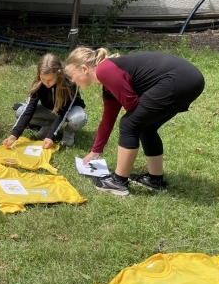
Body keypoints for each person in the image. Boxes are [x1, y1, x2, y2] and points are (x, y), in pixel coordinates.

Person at [65, 48, 205, 196]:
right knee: (146, 127)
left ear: (84, 69)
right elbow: (107, 120)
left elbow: (131, 103)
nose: (73, 81)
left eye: (72, 75)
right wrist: (95, 151)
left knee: (129, 124)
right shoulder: (108, 80)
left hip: (179, 79)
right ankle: (155, 180)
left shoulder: (104, 70)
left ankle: (118, 182)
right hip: (190, 79)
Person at [3, 53, 87, 149]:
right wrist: (14, 135)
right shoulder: (38, 84)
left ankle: (68, 132)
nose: (46, 83)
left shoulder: (71, 84)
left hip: (69, 112)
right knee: (20, 112)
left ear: (58, 74)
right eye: (43, 79)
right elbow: (30, 109)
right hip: (49, 111)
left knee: (79, 119)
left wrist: (50, 136)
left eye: (50, 80)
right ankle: (48, 125)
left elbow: (63, 112)